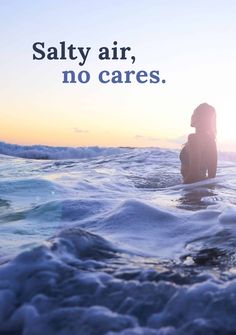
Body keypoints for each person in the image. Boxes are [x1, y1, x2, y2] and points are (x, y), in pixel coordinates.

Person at [180, 103, 217, 184]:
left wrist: (177, 189)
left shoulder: (193, 138)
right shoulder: (212, 142)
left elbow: (194, 173)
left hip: (190, 187)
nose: (192, 116)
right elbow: (212, 176)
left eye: (194, 113)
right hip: (201, 188)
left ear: (198, 117)